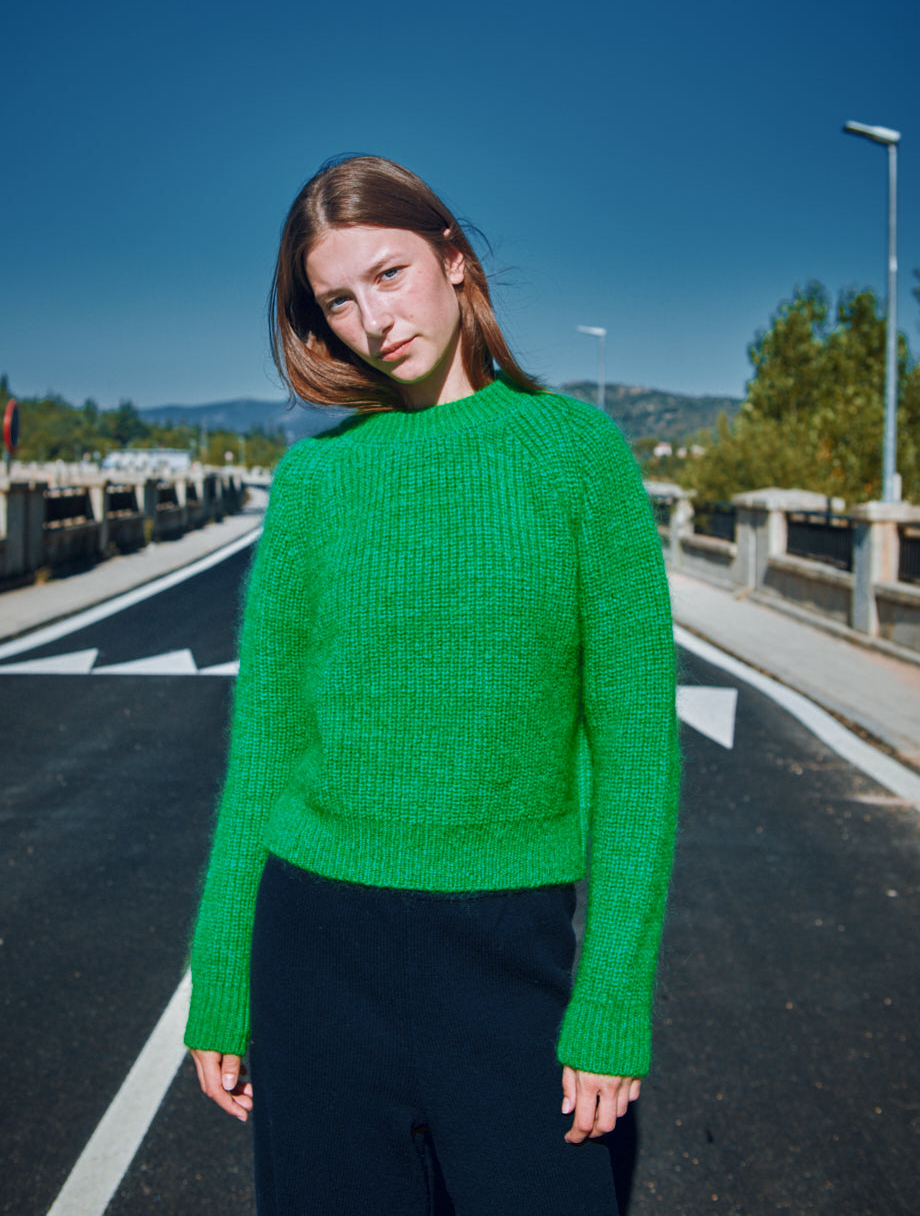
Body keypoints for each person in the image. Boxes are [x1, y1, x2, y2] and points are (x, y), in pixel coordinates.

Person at [185, 154, 679, 1215]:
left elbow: (637, 751)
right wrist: (222, 980)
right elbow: (262, 753)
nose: (375, 317)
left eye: (391, 273)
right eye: (338, 300)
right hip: (315, 952)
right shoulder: (313, 482)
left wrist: (613, 1002)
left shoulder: (575, 456)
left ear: (453, 260)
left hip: (507, 958)